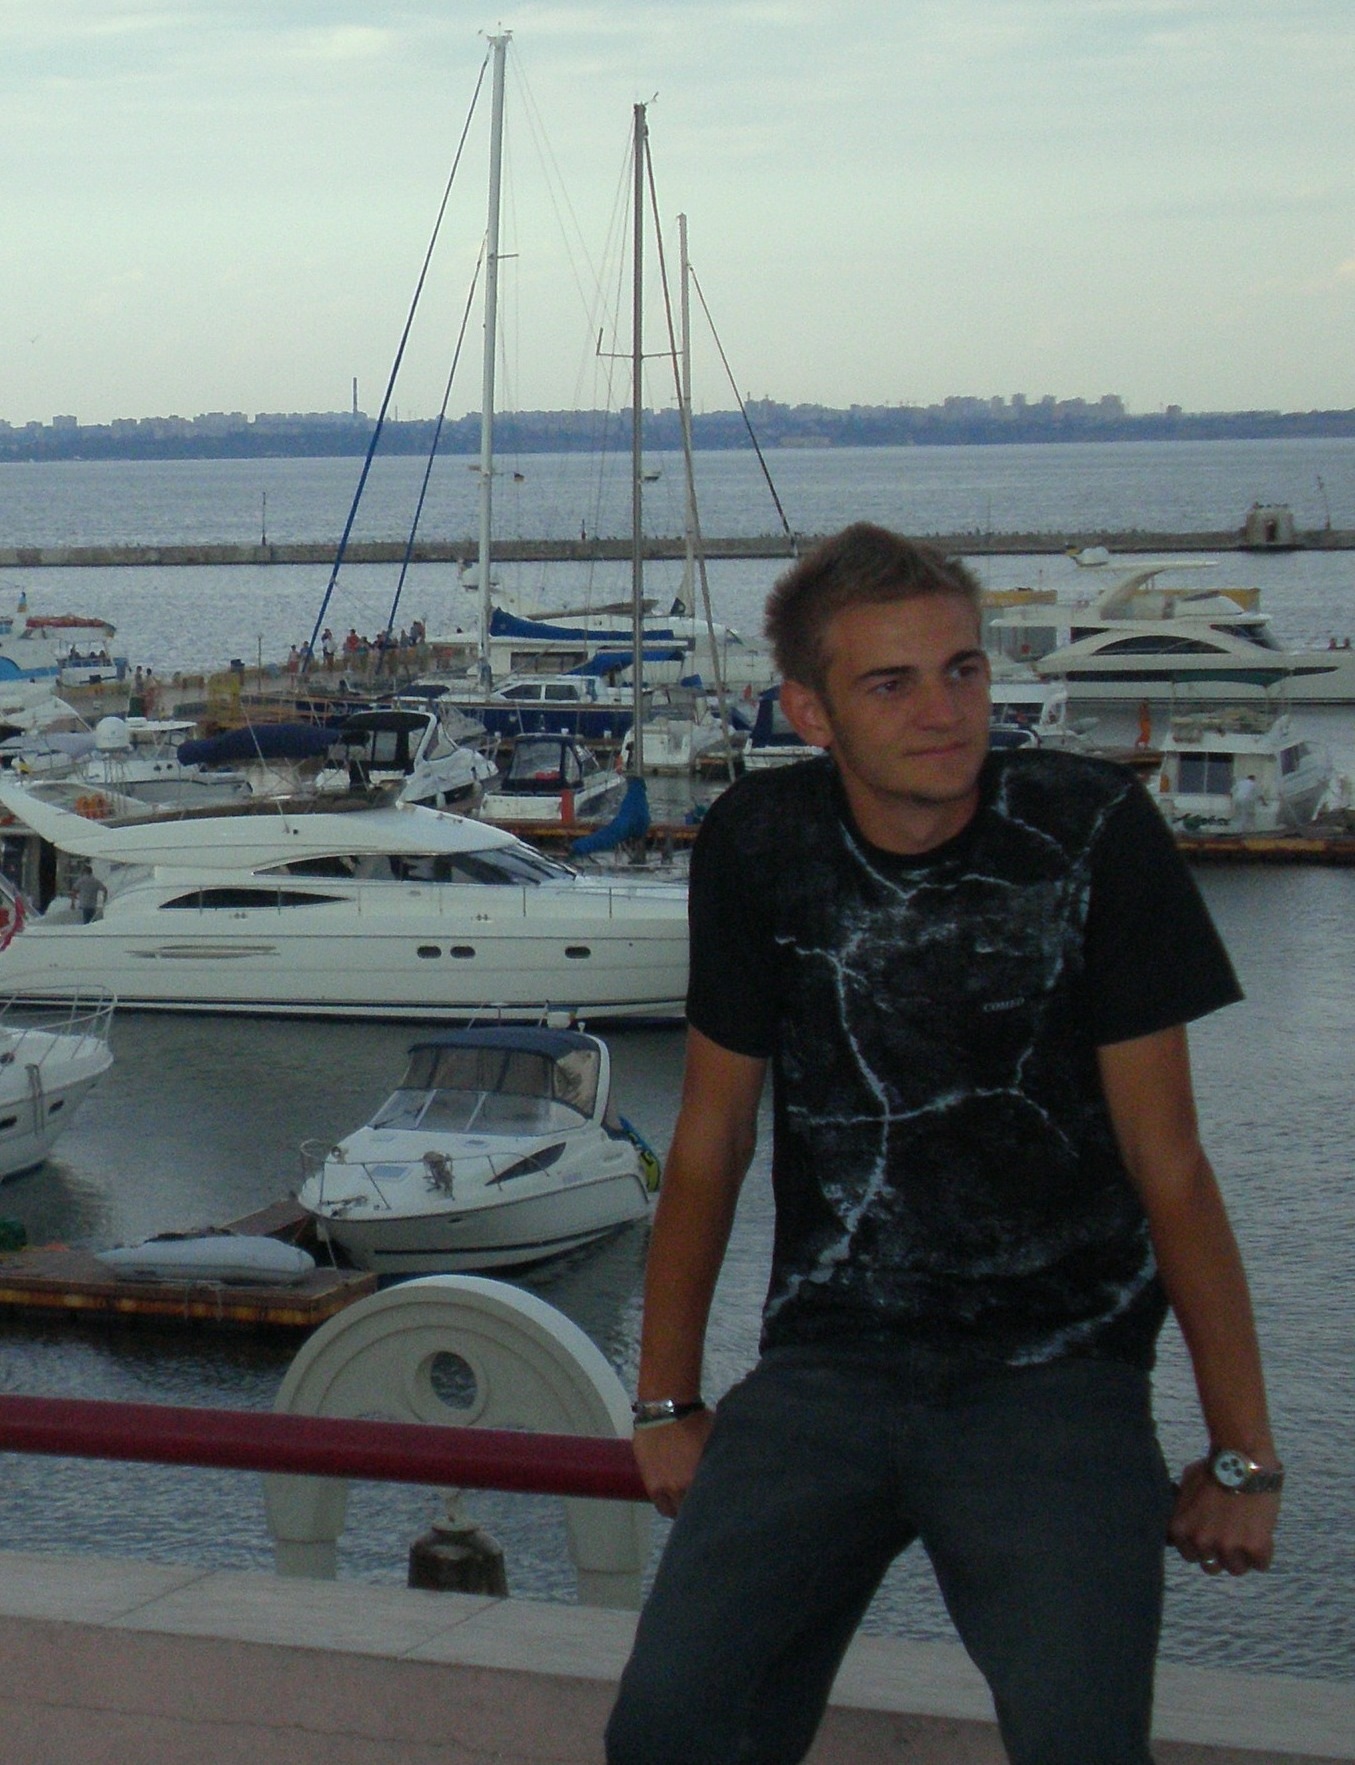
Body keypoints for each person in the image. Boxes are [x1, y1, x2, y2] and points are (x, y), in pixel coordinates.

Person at [607, 524, 1281, 1765]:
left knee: (1080, 1748)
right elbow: (711, 1134)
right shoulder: (759, 839)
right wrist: (665, 1399)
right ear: (809, 712)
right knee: (671, 1731)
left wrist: (1240, 1454)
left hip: (1055, 1379)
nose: (942, 711)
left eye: (961, 669)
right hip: (826, 1367)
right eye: (891, 683)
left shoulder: (1090, 829)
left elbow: (1169, 1162)